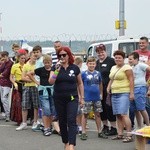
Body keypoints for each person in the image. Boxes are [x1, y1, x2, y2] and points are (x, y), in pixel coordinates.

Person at [49, 46, 84, 150]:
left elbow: (80, 83)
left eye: (64, 55)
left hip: (72, 97)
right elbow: (51, 81)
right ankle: (66, 142)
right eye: (60, 55)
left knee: (71, 120)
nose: (62, 57)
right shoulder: (55, 67)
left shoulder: (74, 68)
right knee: (62, 121)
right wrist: (56, 70)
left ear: (68, 55)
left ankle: (71, 145)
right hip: (59, 98)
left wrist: (82, 97)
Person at [107, 50, 134, 143]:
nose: (117, 59)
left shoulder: (127, 67)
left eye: (119, 57)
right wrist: (108, 87)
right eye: (116, 57)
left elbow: (131, 80)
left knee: (123, 114)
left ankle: (129, 134)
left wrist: (131, 93)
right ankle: (120, 134)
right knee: (118, 114)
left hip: (124, 92)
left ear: (123, 59)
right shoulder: (113, 67)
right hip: (114, 93)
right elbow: (111, 79)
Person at [27, 55, 55, 136]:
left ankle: (50, 126)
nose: (47, 64)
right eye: (45, 63)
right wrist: (36, 82)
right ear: (43, 63)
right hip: (43, 91)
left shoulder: (54, 70)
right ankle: (46, 127)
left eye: (48, 63)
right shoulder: (40, 70)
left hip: (52, 91)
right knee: (46, 109)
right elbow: (29, 73)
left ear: (51, 63)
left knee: (52, 109)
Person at [95, 44, 117, 136]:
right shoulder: (96, 63)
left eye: (102, 52)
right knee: (101, 108)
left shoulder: (111, 61)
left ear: (106, 52)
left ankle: (113, 127)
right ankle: (105, 126)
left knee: (109, 107)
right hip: (99, 89)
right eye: (98, 52)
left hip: (108, 88)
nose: (100, 54)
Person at [80, 56, 103, 140]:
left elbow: (100, 84)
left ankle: (100, 131)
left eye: (93, 64)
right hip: (87, 97)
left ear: (95, 64)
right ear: (87, 64)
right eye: (90, 63)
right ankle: (83, 132)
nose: (91, 65)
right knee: (85, 114)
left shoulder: (98, 73)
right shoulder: (83, 73)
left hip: (96, 97)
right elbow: (79, 85)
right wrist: (80, 96)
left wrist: (101, 93)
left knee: (97, 114)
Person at [16, 52, 39, 131]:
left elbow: (38, 76)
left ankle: (35, 121)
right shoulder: (26, 65)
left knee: (36, 105)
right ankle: (24, 122)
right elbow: (22, 77)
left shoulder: (38, 65)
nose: (35, 57)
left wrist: (29, 77)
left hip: (35, 87)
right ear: (30, 56)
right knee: (25, 105)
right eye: (34, 56)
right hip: (26, 86)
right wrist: (30, 79)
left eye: (36, 56)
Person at [128, 52, 150, 128]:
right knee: (135, 109)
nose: (129, 61)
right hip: (132, 89)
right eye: (128, 59)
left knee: (141, 108)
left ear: (136, 59)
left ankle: (148, 125)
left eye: (131, 59)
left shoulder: (141, 65)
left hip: (140, 88)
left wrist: (148, 82)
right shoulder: (131, 67)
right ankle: (139, 127)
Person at [10, 53, 26, 124]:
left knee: (25, 102)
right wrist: (14, 83)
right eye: (21, 58)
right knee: (17, 103)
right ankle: (18, 119)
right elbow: (11, 77)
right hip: (17, 84)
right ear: (18, 58)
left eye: (24, 58)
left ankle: (26, 118)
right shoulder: (15, 66)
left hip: (26, 84)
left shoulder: (26, 66)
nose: (23, 60)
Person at [0, 51, 13, 122]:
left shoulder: (10, 63)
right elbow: (1, 70)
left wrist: (1, 74)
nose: (2, 59)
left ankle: (8, 114)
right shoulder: (4, 63)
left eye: (3, 57)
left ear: (6, 56)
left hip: (7, 84)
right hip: (1, 83)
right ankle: (6, 113)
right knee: (2, 99)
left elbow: (5, 73)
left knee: (4, 99)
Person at [74, 56, 83, 135]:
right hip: (76, 94)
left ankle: (79, 126)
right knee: (77, 111)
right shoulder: (77, 71)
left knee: (79, 111)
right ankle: (78, 125)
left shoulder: (79, 71)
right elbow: (77, 85)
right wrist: (80, 95)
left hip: (78, 93)